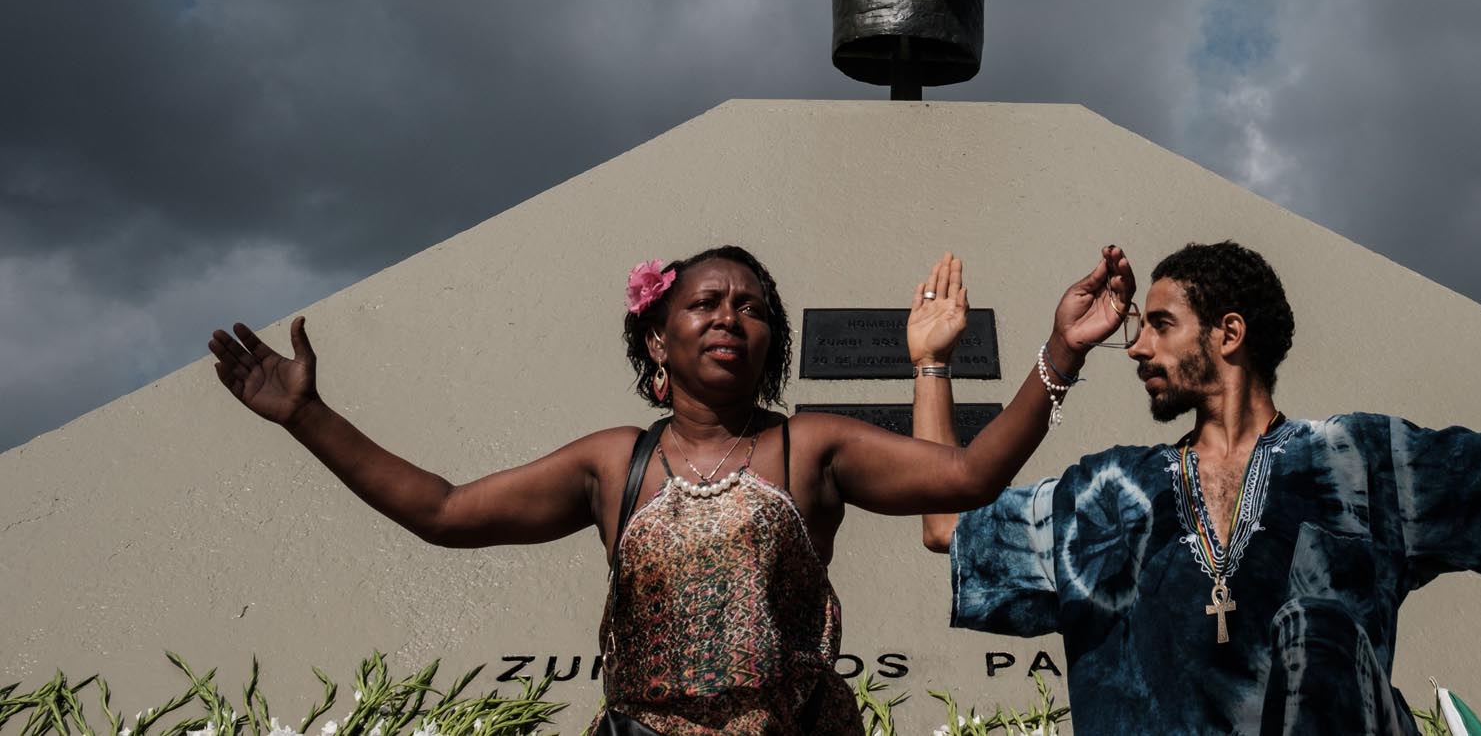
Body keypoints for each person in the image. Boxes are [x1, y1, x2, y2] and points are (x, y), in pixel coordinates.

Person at [208, 242, 1133, 735]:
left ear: (773, 342)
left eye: (753, 305)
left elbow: (969, 476)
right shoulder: (616, 463)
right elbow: (443, 511)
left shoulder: (811, 448)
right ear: (659, 338)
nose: (732, 314)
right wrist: (306, 416)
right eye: (706, 302)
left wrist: (1062, 351)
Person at [914, 171, 1481, 734]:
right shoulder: (1111, 492)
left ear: (1228, 333)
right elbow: (947, 521)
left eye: (1160, 324)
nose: (1137, 346)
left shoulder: (1360, 460)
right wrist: (936, 365)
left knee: (1317, 627)